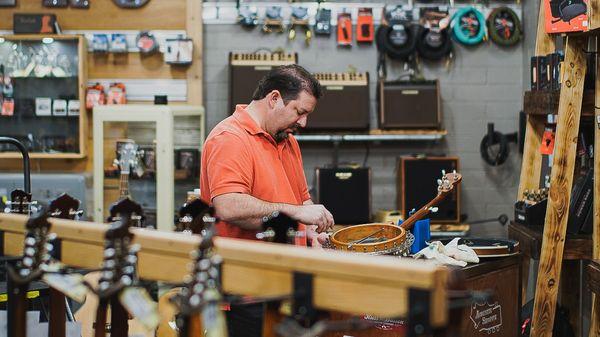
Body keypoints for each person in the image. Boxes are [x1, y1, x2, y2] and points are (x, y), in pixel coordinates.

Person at [199, 64, 335, 336]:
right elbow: (228, 204)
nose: (303, 123)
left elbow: (301, 202)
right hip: (242, 290)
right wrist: (295, 212)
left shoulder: (287, 140)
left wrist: (316, 239)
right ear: (274, 99)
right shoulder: (230, 138)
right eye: (300, 112)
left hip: (282, 283)